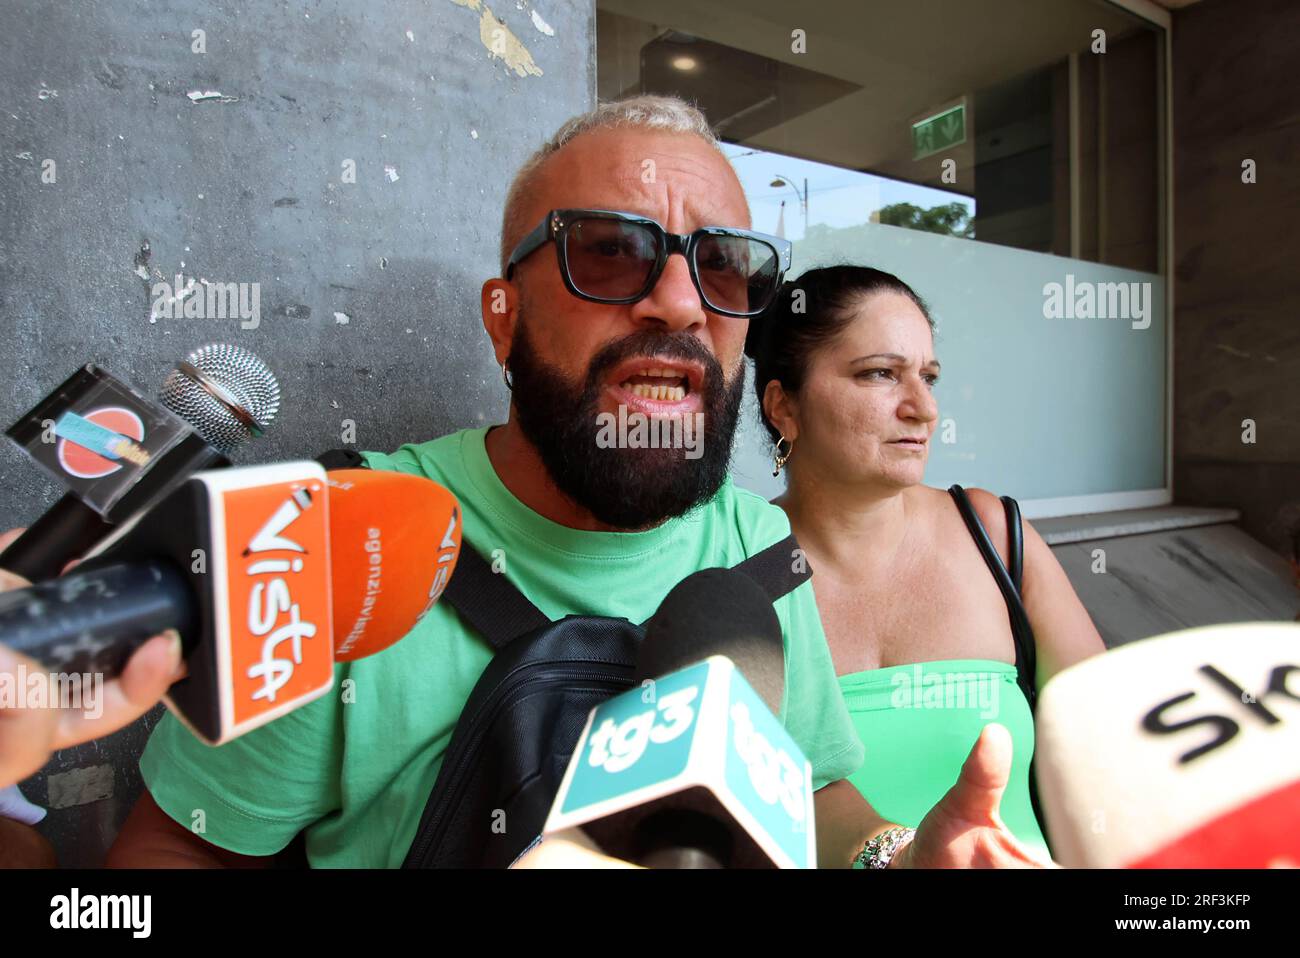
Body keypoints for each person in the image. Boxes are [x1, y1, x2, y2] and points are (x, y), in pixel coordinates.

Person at [106, 96, 1051, 869]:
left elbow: (810, 788)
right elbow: (176, 854)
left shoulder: (757, 549)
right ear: (503, 318)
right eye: (610, 250)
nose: (680, 301)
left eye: (722, 267)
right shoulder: (338, 540)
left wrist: (896, 854)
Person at [745, 265, 1107, 861]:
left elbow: (1117, 743)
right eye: (880, 374)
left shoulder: (992, 535)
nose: (923, 409)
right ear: (784, 406)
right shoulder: (738, 565)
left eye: (928, 377)